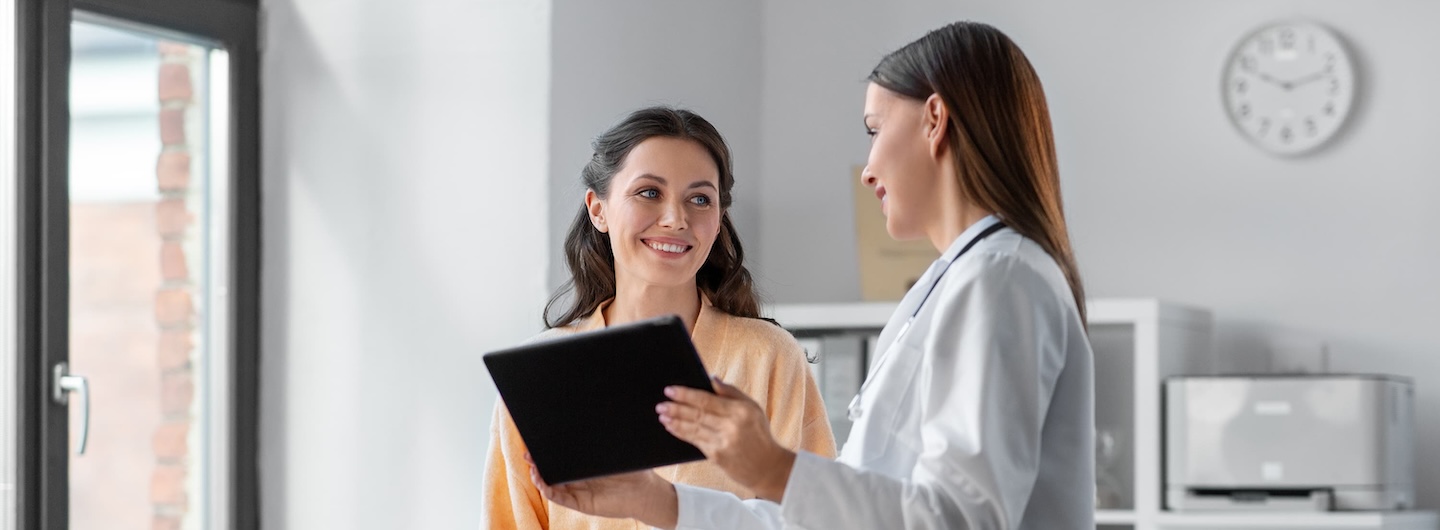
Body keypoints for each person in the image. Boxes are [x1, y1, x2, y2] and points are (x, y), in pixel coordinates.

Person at [529, 21, 1095, 530]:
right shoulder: (958, 284)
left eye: (874, 129)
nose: (868, 167)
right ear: (597, 209)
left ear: (935, 120)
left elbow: (963, 520)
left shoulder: (999, 280)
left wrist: (774, 467)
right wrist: (657, 502)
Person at [481, 106, 837, 530]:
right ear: (598, 209)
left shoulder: (769, 359)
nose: (676, 219)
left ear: (719, 219)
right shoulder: (538, 375)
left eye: (700, 199)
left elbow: (820, 518)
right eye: (649, 192)